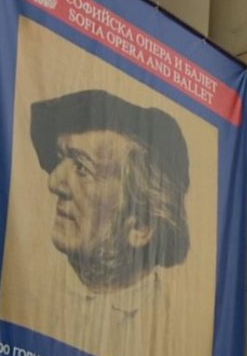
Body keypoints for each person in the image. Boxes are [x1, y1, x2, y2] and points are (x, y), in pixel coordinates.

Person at [29, 89, 190, 294]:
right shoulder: (34, 286)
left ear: (141, 225)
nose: (53, 182)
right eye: (60, 158)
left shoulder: (167, 309)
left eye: (81, 168)